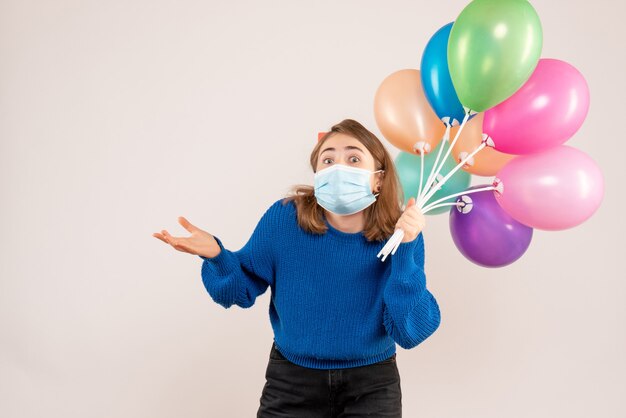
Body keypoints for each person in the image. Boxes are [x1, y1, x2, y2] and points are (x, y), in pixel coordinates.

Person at [153, 119, 441, 417]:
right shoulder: (284, 219)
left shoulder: (400, 235)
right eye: (327, 160)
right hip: (292, 382)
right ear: (317, 175)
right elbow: (238, 291)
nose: (338, 168)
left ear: (378, 179)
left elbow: (410, 332)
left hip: (372, 385)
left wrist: (406, 246)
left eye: (353, 158)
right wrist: (217, 256)